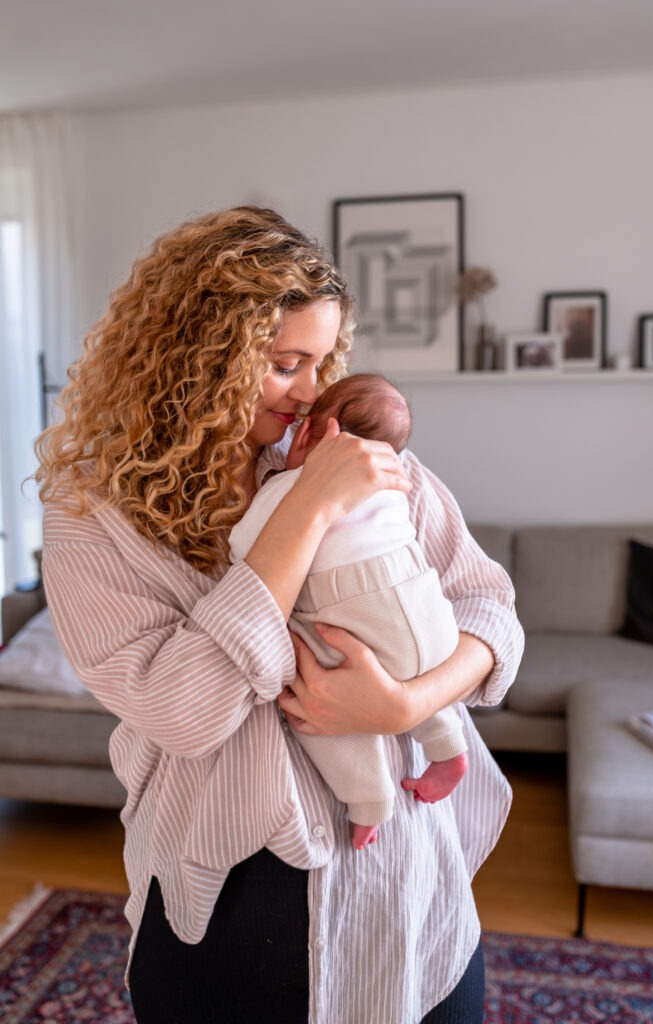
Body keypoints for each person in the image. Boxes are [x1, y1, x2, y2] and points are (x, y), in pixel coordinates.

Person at [35, 206, 524, 1024]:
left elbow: (489, 606)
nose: (310, 391)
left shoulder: (354, 452)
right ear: (194, 361)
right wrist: (306, 510)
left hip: (409, 892)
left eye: (321, 360)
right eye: (284, 363)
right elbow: (185, 711)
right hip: (225, 907)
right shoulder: (93, 512)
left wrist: (405, 703)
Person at [229, 372, 469, 852]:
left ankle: (368, 802)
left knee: (315, 703)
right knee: (414, 673)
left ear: (316, 434)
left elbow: (243, 550)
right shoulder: (396, 481)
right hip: (431, 618)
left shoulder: (295, 489)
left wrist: (288, 489)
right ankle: (449, 749)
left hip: (357, 613)